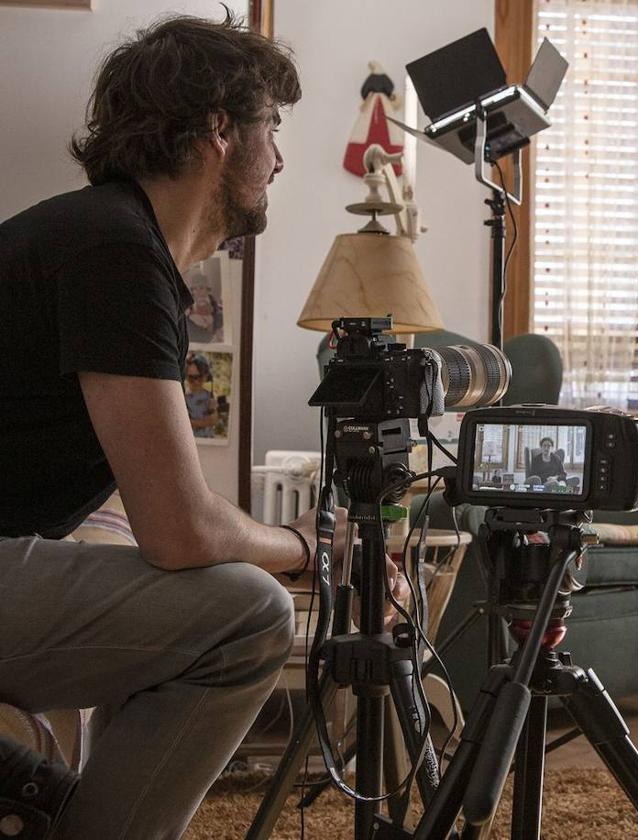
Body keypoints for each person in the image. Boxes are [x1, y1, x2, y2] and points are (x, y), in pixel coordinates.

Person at [0, 14, 404, 838]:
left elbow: (165, 508)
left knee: (198, 588)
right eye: (273, 129)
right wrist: (305, 547)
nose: (281, 158)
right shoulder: (113, 251)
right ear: (218, 128)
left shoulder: (104, 237)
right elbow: (181, 529)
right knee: (248, 615)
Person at [185, 353, 218, 438]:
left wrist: (193, 423)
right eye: (191, 378)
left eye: (199, 377)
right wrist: (203, 422)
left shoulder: (209, 396)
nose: (196, 382)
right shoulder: (183, 397)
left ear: (206, 376)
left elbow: (213, 420)